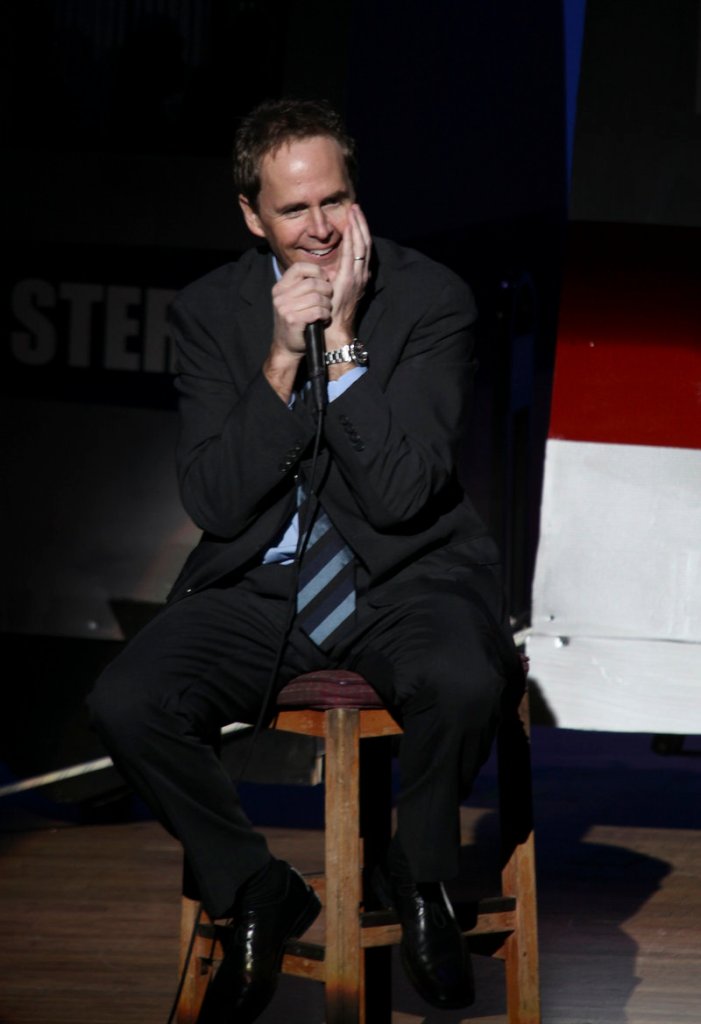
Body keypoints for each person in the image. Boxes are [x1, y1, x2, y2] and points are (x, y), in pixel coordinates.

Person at [87, 97, 523, 1022]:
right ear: (252, 217)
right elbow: (214, 500)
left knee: (461, 678)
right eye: (293, 211)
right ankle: (253, 889)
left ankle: (418, 874)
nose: (320, 230)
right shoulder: (214, 311)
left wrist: (344, 341)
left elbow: (405, 492)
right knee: (126, 699)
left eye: (335, 200)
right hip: (263, 582)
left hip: (405, 575)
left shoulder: (431, 298)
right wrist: (283, 360)